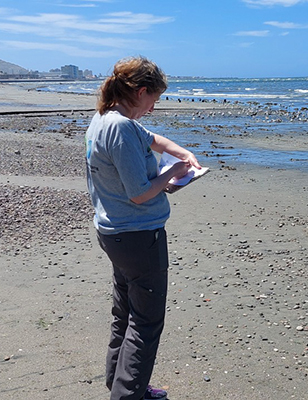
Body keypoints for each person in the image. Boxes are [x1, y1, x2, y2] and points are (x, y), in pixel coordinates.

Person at [85, 56, 201, 400]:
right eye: (154, 99)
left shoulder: (105, 119)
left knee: (125, 312)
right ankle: (127, 394)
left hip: (114, 232)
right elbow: (139, 194)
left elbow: (150, 137)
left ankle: (121, 383)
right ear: (140, 91)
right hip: (137, 235)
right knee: (146, 322)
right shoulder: (120, 127)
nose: (153, 107)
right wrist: (171, 175)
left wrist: (182, 152)